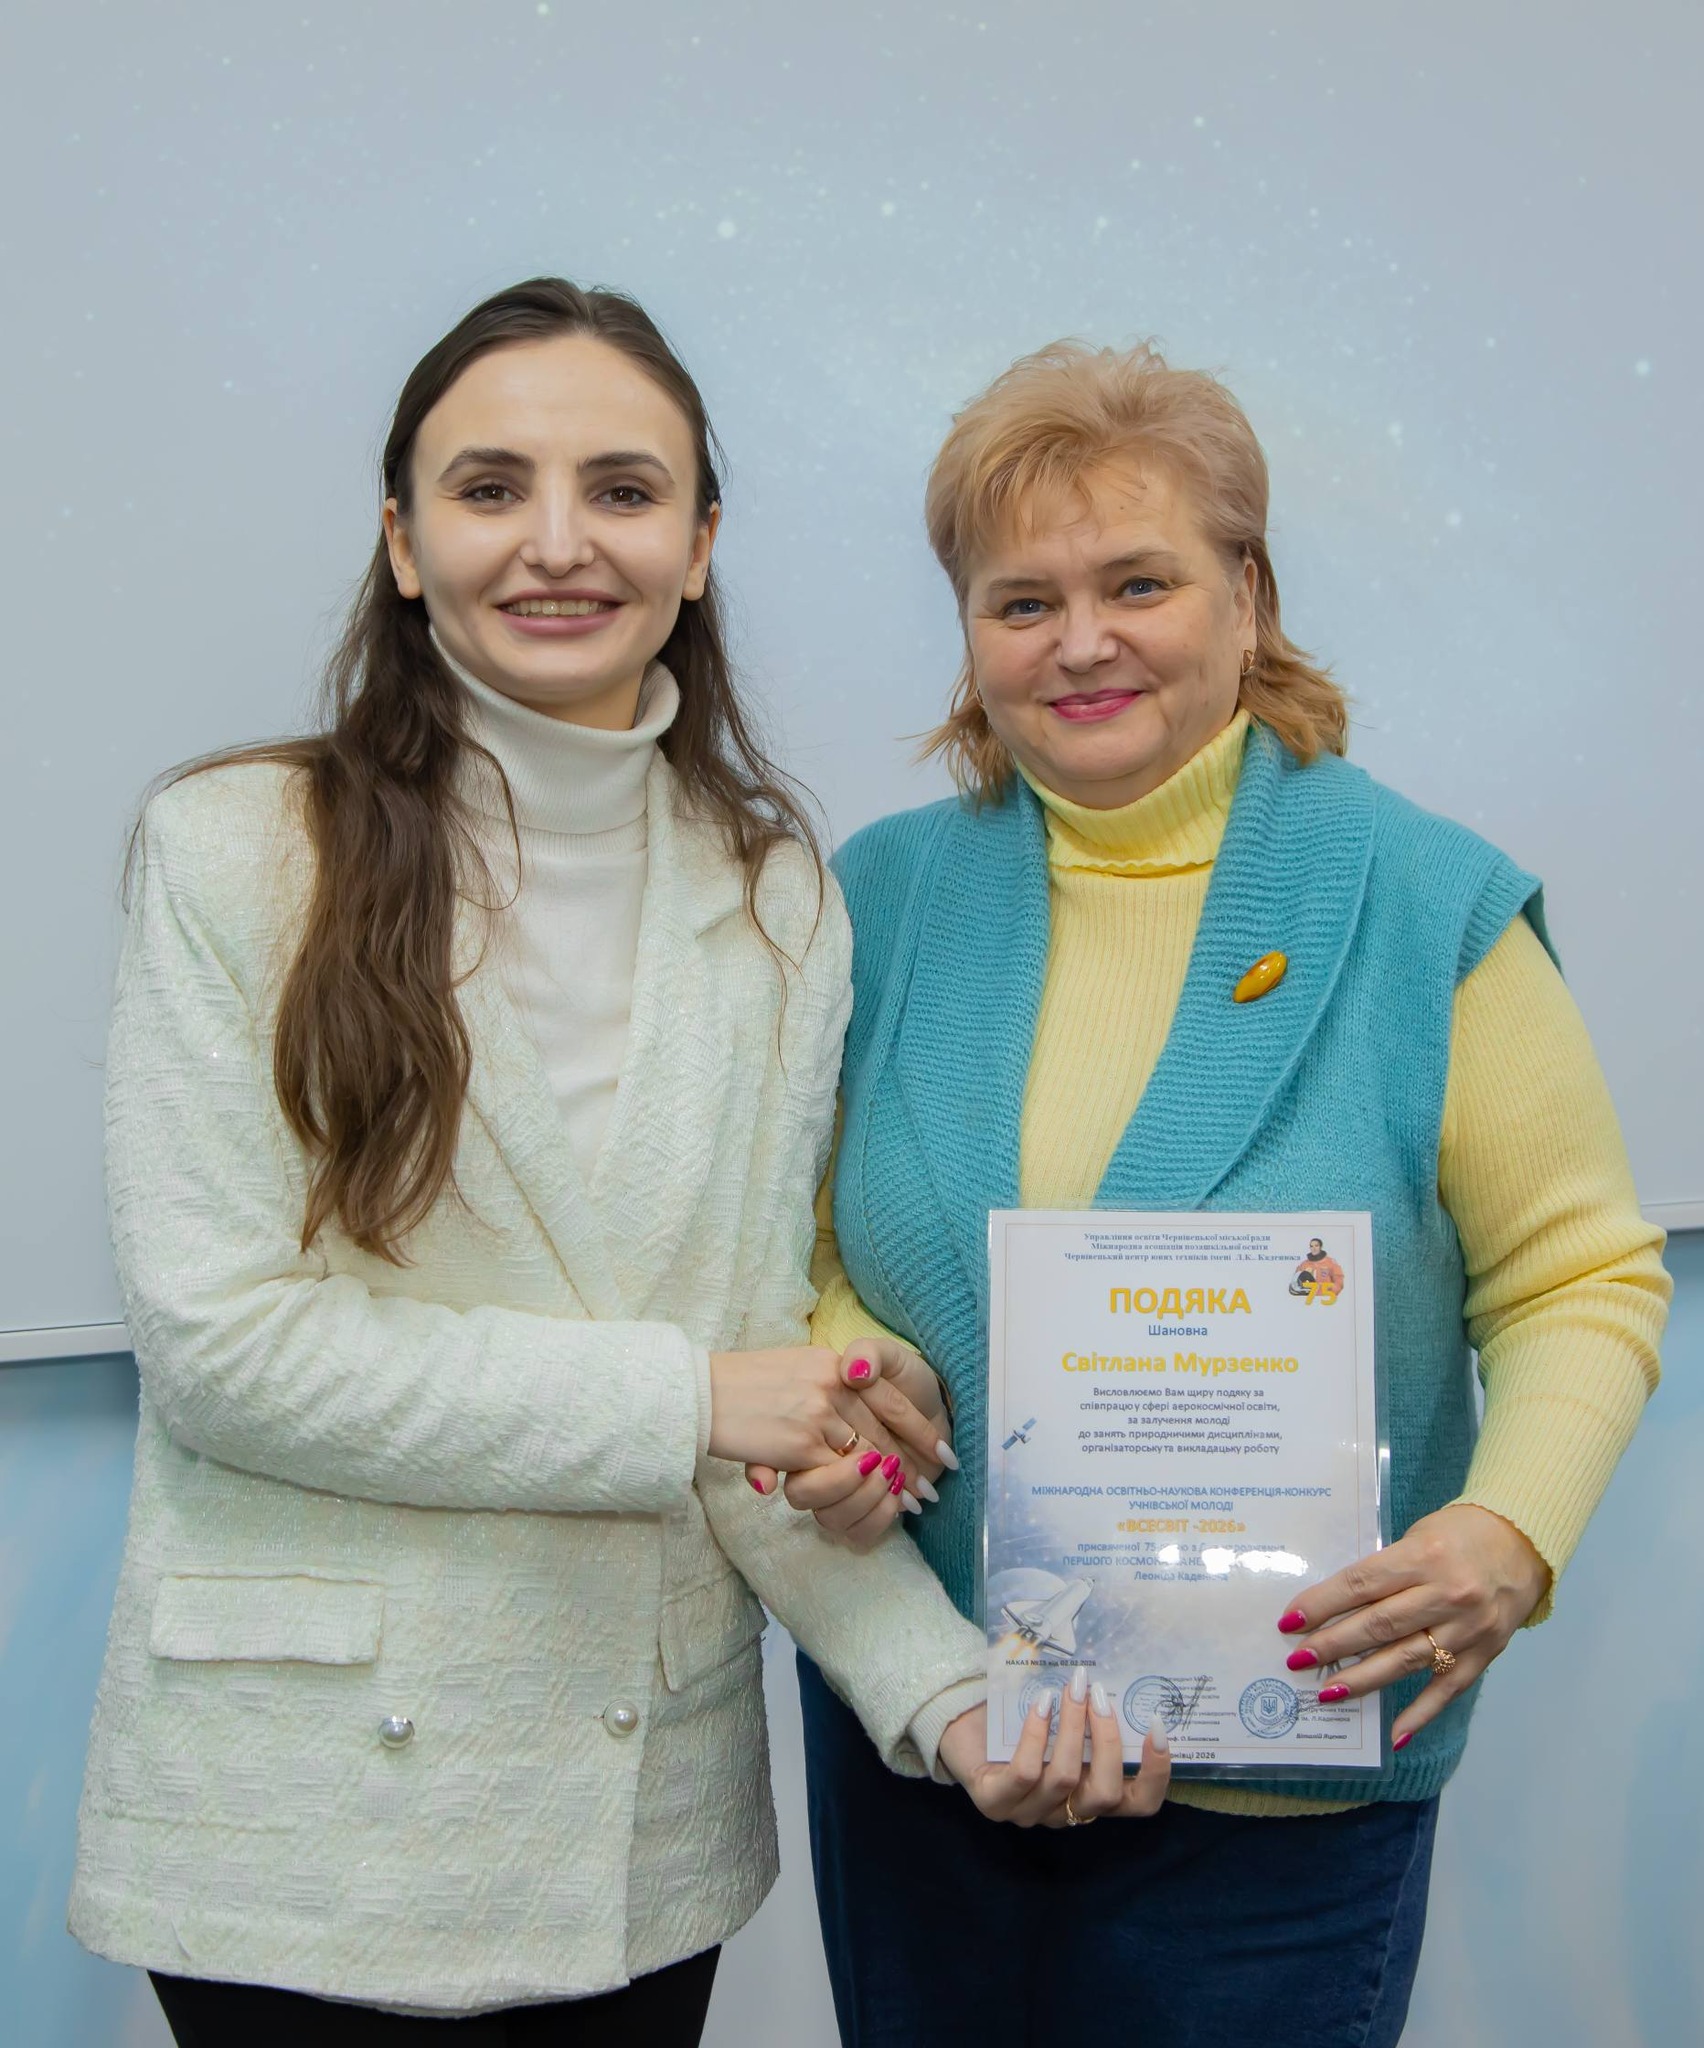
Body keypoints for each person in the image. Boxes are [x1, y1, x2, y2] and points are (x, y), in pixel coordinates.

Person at [68, 278, 986, 2044]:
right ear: (402, 543)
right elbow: (223, 1351)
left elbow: (753, 1394)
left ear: (699, 546)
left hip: (632, 1835)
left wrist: (941, 1688)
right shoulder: (237, 850)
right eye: (490, 488)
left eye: (622, 491)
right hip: (301, 1830)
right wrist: (695, 1398)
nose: (558, 542)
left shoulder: (778, 897)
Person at [797, 339, 1671, 2046]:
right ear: (970, 635)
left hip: (1283, 1797)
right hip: (941, 1747)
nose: (1082, 642)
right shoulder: (880, 904)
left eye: (1139, 583)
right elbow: (812, 1243)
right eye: (1023, 601)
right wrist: (850, 1363)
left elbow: (1580, 1277)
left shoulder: (1421, 901)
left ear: (1248, 596)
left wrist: (1511, 1532)